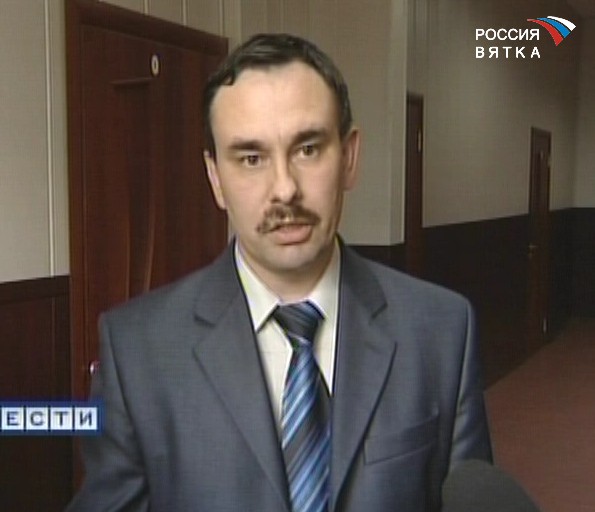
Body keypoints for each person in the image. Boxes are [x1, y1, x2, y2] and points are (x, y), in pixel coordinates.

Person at [66, 33, 492, 512]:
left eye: (308, 149)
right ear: (215, 178)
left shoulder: (441, 330)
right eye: (251, 158)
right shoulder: (137, 350)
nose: (285, 189)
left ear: (349, 157)